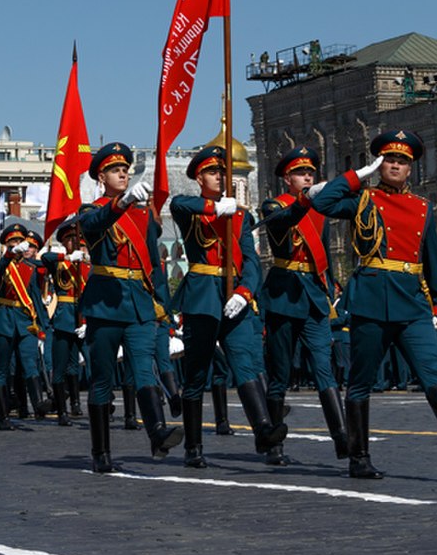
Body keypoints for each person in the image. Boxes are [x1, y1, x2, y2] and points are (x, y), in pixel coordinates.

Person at [310, 129, 437, 477]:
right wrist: (358, 176)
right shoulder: (362, 199)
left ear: (411, 169)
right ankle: (358, 457)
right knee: (360, 381)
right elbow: (320, 203)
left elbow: (432, 259)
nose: (395, 166)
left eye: (402, 161)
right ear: (380, 165)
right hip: (372, 299)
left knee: (432, 372)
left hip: (413, 302)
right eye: (389, 160)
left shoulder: (423, 207)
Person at [170, 144, 278, 468]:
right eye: (213, 172)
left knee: (245, 362)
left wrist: (245, 292)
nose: (220, 176)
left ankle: (263, 431)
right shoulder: (193, 210)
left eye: (223, 171)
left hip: (233, 295)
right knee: (197, 372)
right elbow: (177, 203)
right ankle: (193, 447)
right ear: (200, 176)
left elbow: (251, 260)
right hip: (203, 295)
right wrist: (214, 208)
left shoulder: (241, 215)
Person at [78, 142, 182, 472]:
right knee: (103, 380)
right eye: (114, 170)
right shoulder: (90, 209)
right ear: (101, 177)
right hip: (105, 304)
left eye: (125, 169)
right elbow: (93, 224)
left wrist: (163, 305)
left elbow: (153, 263)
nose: (122, 173)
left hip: (138, 303)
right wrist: (122, 203)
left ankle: (157, 432)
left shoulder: (142, 215)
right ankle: (101, 452)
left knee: (142, 369)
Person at [257, 146, 346, 464]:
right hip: (284, 295)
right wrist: (306, 202)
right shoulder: (272, 205)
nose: (307, 176)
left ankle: (342, 439)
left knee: (325, 370)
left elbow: (324, 254)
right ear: (286, 178)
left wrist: (330, 288)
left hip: (313, 295)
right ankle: (274, 443)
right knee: (280, 373)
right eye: (300, 173)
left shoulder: (319, 211)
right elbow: (286, 221)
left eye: (310, 172)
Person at [0, 224, 53, 430]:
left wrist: (42, 324)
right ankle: (3, 416)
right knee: (2, 368)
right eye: (12, 242)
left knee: (29, 362)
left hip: (25, 320)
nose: (16, 245)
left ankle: (38, 404)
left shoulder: (31, 267)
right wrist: (8, 255)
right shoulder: (1, 265)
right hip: (5, 318)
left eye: (19, 242)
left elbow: (34, 295)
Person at [40, 221, 88, 427]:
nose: (73, 241)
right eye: (68, 239)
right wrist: (67, 257)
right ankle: (62, 411)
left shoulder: (88, 264)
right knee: (59, 368)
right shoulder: (59, 262)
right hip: (64, 319)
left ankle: (95, 404)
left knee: (95, 365)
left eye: (75, 238)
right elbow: (44, 257)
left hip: (85, 319)